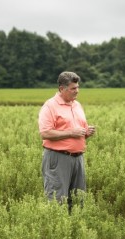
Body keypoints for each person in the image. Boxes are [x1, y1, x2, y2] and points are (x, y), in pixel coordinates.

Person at [38, 71, 95, 210]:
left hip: (78, 158)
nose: (77, 91)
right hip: (58, 158)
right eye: (73, 88)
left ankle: (74, 230)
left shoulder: (77, 105)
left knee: (78, 200)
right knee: (57, 200)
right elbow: (45, 133)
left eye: (78, 87)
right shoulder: (50, 106)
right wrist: (71, 132)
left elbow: (78, 131)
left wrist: (86, 133)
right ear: (61, 89)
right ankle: (57, 230)